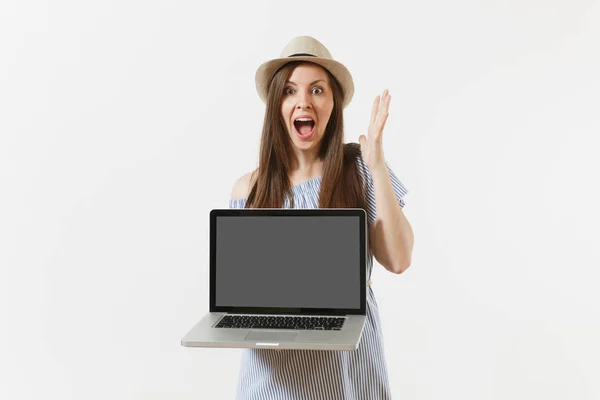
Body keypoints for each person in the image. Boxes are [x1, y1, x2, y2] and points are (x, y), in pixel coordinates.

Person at [229, 36, 414, 400]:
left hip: (347, 374)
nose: (303, 102)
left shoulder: (360, 170)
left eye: (317, 90)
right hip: (272, 381)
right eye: (290, 91)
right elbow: (239, 295)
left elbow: (399, 259)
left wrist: (376, 163)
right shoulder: (247, 189)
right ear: (276, 106)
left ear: (333, 104)